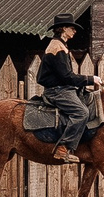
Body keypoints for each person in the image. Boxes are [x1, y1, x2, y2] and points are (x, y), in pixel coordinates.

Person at [32, 12, 97, 165]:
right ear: (62, 29)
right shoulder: (57, 48)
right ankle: (63, 148)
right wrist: (90, 79)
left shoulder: (61, 45)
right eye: (71, 28)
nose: (74, 31)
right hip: (57, 91)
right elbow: (67, 77)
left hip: (63, 89)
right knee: (82, 112)